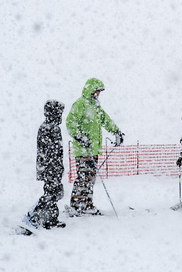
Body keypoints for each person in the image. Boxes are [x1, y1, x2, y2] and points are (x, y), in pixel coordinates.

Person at [65, 77, 123, 216]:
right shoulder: (80, 104)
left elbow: (106, 120)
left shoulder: (96, 107)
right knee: (83, 177)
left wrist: (116, 131)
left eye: (99, 92)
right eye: (96, 91)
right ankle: (76, 206)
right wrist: (80, 137)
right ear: (90, 90)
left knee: (90, 178)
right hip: (83, 149)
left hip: (93, 149)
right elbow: (70, 123)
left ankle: (87, 204)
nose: (98, 94)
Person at [19, 100, 67, 235]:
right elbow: (48, 151)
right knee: (51, 193)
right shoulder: (47, 128)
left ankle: (50, 219)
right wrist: (51, 167)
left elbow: (57, 152)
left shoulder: (53, 127)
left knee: (56, 192)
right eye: (59, 112)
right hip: (50, 168)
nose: (60, 115)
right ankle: (32, 217)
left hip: (54, 167)